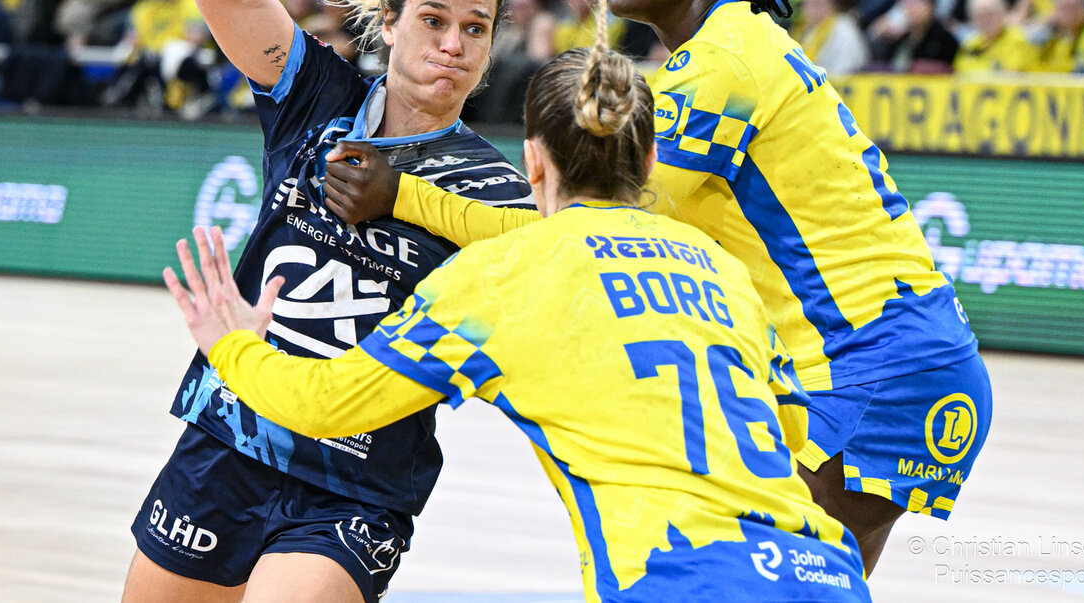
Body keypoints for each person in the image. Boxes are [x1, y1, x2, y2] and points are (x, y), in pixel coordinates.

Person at [317, 0, 992, 574]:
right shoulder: (734, 49)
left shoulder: (723, 68)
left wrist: (405, 196)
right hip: (889, 358)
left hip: (874, 367)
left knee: (762, 581)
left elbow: (579, 235)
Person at [164, 44, 874, 602]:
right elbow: (790, 429)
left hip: (680, 579)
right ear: (651, 158)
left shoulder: (506, 273)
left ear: (532, 162)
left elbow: (324, 404)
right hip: (824, 571)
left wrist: (231, 343)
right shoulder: (722, 267)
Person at [123, 0, 535, 603]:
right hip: (231, 432)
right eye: (434, 19)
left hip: (358, 477)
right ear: (389, 22)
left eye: (475, 28)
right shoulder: (318, 97)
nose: (453, 44)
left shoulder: (494, 187)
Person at [792, 0, 869, 74]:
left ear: (832, 4)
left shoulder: (844, 30)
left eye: (816, 2)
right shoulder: (805, 30)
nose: (809, 8)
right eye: (806, 2)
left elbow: (844, 71)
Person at [953, 0, 1036, 72]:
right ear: (972, 19)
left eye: (990, 14)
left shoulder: (1018, 40)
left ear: (1003, 13)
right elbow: (960, 73)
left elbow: (1012, 74)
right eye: (980, 16)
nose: (986, 20)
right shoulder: (969, 45)